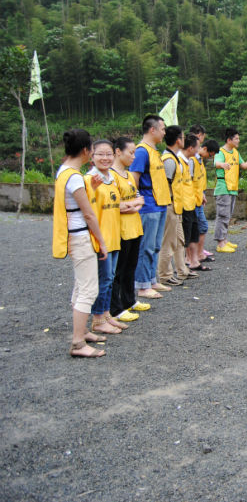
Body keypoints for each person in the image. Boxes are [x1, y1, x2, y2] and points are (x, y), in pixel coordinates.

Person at [53, 129, 108, 357]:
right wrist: (101, 241)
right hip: (81, 237)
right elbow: (88, 214)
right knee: (88, 289)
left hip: (73, 236)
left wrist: (91, 189)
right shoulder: (74, 177)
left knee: (80, 285)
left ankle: (82, 331)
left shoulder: (64, 171)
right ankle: (77, 342)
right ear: (86, 150)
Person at [86, 139, 126, 336]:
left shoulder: (112, 178)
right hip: (100, 238)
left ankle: (106, 313)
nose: (105, 158)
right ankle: (98, 319)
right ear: (91, 156)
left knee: (110, 278)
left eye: (108, 154)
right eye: (100, 154)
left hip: (114, 236)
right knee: (103, 279)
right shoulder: (90, 180)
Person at [131, 115, 171, 300]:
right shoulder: (141, 151)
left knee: (155, 246)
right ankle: (142, 285)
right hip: (148, 205)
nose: (164, 132)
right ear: (152, 130)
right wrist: (137, 200)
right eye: (162, 129)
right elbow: (134, 178)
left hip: (160, 204)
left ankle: (152, 280)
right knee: (146, 246)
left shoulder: (154, 151)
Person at [110, 137, 147, 322]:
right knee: (119, 269)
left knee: (130, 267)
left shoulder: (129, 175)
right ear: (118, 152)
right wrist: (132, 205)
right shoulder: (111, 177)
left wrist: (132, 205)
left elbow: (140, 200)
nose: (134, 156)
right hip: (121, 229)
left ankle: (129, 300)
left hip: (135, 227)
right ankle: (115, 308)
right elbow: (115, 205)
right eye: (131, 152)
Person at [214, 127, 247, 253]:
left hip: (233, 188)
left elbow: (244, 165)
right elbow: (216, 163)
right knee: (222, 215)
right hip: (223, 188)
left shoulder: (235, 153)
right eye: (236, 138)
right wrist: (222, 165)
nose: (238, 141)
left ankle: (224, 240)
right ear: (229, 140)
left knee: (228, 215)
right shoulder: (220, 152)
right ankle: (220, 243)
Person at [157, 125, 189, 286]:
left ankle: (182, 270)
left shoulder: (174, 158)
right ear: (178, 140)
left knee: (179, 240)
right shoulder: (169, 160)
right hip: (170, 205)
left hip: (176, 206)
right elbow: (165, 185)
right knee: (168, 242)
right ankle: (165, 274)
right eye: (183, 137)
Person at [189, 125, 215, 263]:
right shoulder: (192, 160)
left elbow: (198, 181)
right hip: (192, 200)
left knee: (200, 227)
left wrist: (202, 194)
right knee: (198, 227)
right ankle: (194, 256)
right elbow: (189, 181)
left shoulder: (199, 160)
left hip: (198, 198)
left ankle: (198, 254)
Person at [179, 134, 204, 272]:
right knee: (185, 236)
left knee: (194, 233)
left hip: (192, 203)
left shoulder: (188, 161)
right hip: (183, 205)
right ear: (190, 148)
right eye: (197, 148)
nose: (199, 151)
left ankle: (194, 262)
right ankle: (184, 263)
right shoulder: (178, 162)